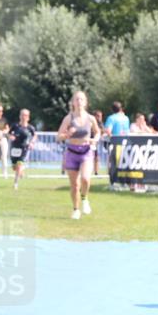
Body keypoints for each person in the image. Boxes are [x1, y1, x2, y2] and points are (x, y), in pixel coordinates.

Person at [57, 91, 100, 219]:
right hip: (72, 152)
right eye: (77, 99)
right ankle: (76, 209)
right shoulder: (69, 118)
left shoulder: (91, 118)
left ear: (85, 102)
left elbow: (97, 133)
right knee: (75, 185)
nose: (79, 101)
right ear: (73, 103)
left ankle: (84, 198)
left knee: (86, 179)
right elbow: (58, 137)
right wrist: (67, 134)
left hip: (86, 152)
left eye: (82, 99)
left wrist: (95, 139)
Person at [8, 108, 37, 190]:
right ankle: (21, 171)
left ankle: (15, 183)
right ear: (20, 116)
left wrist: (32, 143)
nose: (24, 117)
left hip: (24, 148)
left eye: (26, 115)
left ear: (28, 117)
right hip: (14, 148)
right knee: (15, 167)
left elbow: (35, 135)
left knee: (19, 165)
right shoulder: (15, 126)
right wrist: (11, 137)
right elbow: (9, 134)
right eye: (22, 115)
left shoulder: (30, 128)